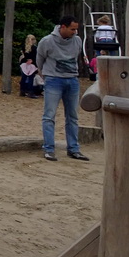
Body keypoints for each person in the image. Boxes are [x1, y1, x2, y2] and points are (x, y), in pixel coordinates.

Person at [36, 15, 89, 162]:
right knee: (49, 115)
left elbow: (77, 56)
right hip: (54, 80)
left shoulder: (77, 41)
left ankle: (73, 149)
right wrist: (46, 75)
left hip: (72, 80)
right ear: (63, 27)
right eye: (72, 29)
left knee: (72, 116)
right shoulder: (47, 41)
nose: (75, 32)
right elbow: (39, 60)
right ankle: (49, 149)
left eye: (76, 29)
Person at [18, 34, 38, 98]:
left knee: (24, 78)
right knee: (30, 78)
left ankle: (22, 91)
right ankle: (30, 92)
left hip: (24, 63)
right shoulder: (34, 48)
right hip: (31, 64)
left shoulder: (24, 47)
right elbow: (35, 56)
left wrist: (26, 60)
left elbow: (23, 56)